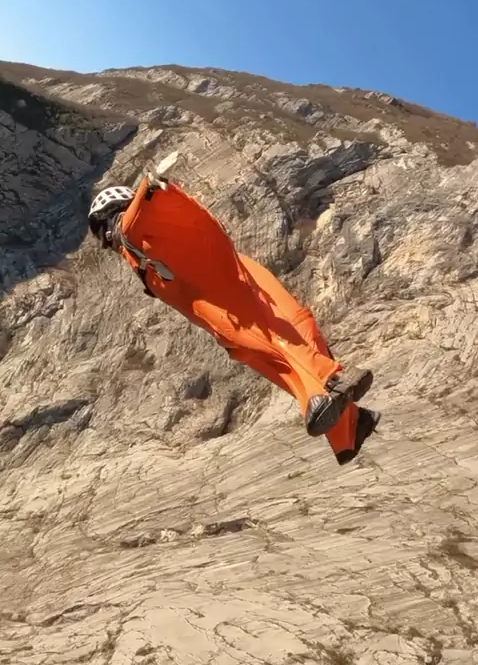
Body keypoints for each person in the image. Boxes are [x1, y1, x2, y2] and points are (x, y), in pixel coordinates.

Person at [88, 173, 380, 465]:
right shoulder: (136, 239)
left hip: (226, 296)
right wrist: (153, 194)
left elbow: (139, 225)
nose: (108, 240)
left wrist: (151, 196)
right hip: (229, 291)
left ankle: (345, 422)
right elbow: (144, 221)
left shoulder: (136, 246)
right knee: (283, 337)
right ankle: (331, 390)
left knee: (290, 336)